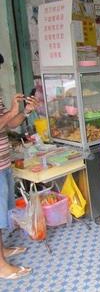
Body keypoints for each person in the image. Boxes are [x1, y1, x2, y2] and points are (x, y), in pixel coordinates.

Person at [0, 53, 38, 280]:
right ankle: (1, 266)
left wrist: (24, 112)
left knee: (1, 213)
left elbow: (8, 123)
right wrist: (12, 112)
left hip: (3, 162)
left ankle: (2, 251)